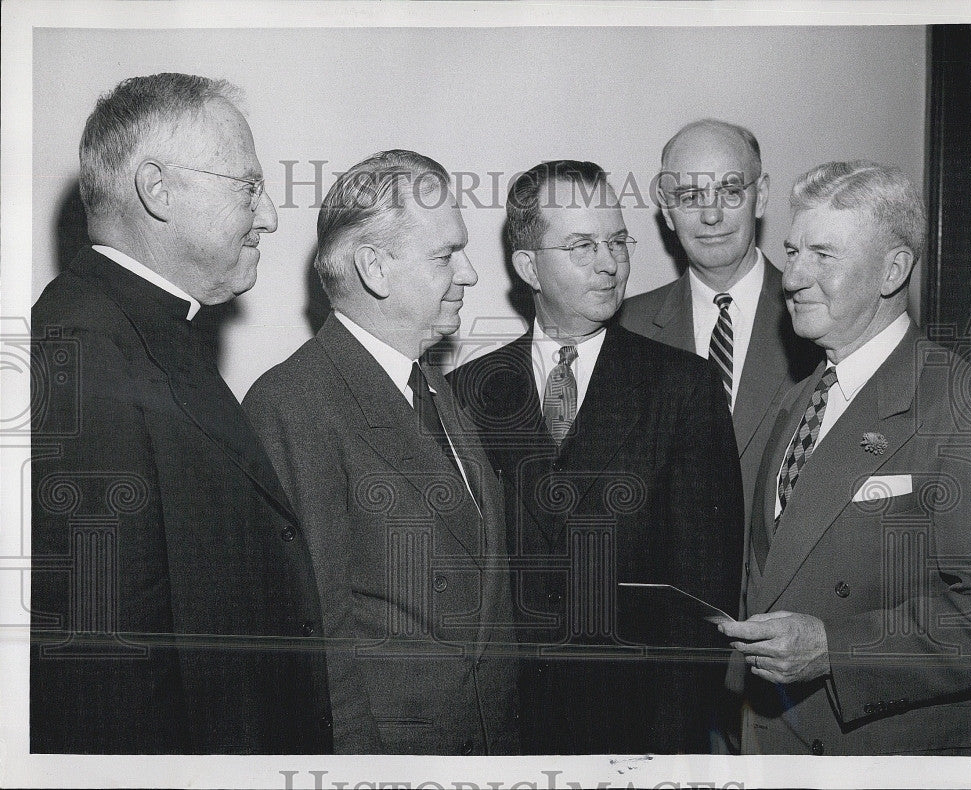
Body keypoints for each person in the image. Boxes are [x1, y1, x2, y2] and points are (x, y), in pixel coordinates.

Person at [30, 73, 332, 753]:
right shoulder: (82, 352)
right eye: (247, 187)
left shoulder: (141, 331)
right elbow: (100, 674)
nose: (270, 216)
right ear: (157, 190)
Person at [448, 160, 743, 754]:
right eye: (582, 245)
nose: (610, 263)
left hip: (638, 732)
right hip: (505, 731)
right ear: (528, 265)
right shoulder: (467, 393)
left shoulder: (684, 388)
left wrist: (667, 750)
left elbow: (703, 595)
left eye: (616, 241)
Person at [242, 150, 517, 754]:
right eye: (446, 256)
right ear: (375, 268)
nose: (469, 274)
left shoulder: (439, 390)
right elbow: (319, 637)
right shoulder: (293, 405)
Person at [719, 161, 971, 755]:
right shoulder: (800, 398)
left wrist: (837, 649)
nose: (793, 276)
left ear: (893, 270)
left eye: (824, 255)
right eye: (791, 250)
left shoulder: (960, 405)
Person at [618, 119, 822, 515]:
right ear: (667, 210)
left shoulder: (819, 322)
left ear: (760, 196)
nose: (711, 216)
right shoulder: (627, 327)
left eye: (729, 192)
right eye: (691, 196)